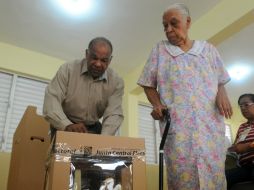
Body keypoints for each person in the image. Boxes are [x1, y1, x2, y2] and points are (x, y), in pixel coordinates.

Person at [137, 3, 232, 190]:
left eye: (174, 23)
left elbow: (220, 78)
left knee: (213, 175)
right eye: (165, 26)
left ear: (188, 22)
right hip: (178, 129)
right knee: (181, 177)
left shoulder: (209, 50)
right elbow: (147, 83)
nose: (168, 30)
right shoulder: (160, 50)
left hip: (210, 127)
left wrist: (222, 91)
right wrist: (157, 105)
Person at [43, 37, 124, 137]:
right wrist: (67, 125)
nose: (98, 64)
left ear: (110, 60)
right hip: (65, 124)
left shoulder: (116, 82)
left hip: (94, 127)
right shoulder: (68, 69)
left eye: (104, 60)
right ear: (86, 54)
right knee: (62, 151)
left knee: (99, 151)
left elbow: (114, 113)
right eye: (94, 58)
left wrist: (104, 138)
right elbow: (52, 99)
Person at [226, 93, 254, 189]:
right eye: (240, 106)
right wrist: (229, 149)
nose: (243, 108)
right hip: (244, 167)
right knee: (223, 177)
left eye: (246, 105)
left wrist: (249, 146)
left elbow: (246, 146)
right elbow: (236, 145)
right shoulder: (242, 127)